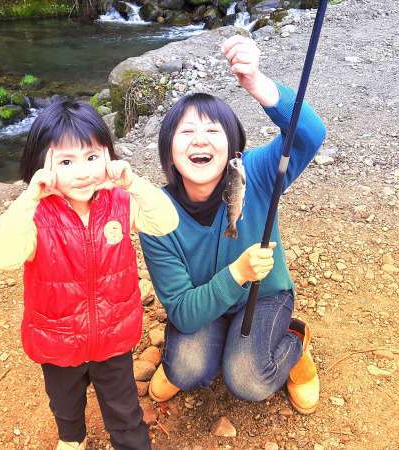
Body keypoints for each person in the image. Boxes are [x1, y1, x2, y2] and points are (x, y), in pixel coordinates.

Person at [139, 35, 326, 415]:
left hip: (265, 295)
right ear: (169, 152)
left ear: (232, 146)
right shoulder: (154, 214)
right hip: (206, 299)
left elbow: (310, 135)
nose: (200, 140)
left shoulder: (254, 172)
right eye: (186, 132)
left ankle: (296, 345)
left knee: (248, 379)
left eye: (212, 131)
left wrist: (256, 82)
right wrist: (237, 272)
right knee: (186, 367)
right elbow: (183, 312)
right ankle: (212, 346)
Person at [0, 98, 178, 449]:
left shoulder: (120, 202)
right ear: (41, 165)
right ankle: (72, 438)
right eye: (66, 161)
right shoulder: (36, 216)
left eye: (92, 157)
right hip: (56, 340)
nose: (82, 171)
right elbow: (0, 257)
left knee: (124, 411)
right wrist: (29, 199)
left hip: (113, 337)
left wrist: (133, 183)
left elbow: (167, 222)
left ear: (108, 156)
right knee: (65, 405)